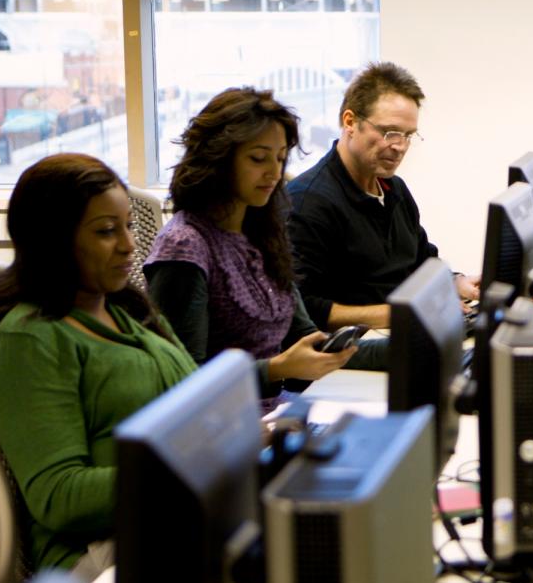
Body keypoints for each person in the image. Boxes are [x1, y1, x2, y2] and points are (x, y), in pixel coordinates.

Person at [0, 154, 197, 576]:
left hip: (171, 517)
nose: (129, 244)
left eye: (128, 225)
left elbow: (194, 393)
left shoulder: (127, 310)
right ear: (52, 240)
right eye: (106, 232)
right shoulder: (30, 341)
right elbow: (59, 498)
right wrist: (186, 465)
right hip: (98, 554)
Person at [144, 88, 384, 403]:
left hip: (271, 413)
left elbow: (307, 340)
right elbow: (182, 380)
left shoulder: (261, 232)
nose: (273, 172)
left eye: (280, 158)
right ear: (219, 158)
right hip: (219, 432)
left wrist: (417, 344)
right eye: (258, 158)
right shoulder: (185, 248)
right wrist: (275, 368)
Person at [286, 62, 477, 330]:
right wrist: (398, 314)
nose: (399, 146)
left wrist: (455, 282)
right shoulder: (307, 203)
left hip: (400, 333)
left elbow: (422, 260)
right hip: (350, 350)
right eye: (389, 132)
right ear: (350, 122)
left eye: (408, 135)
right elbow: (305, 309)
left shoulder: (394, 189)